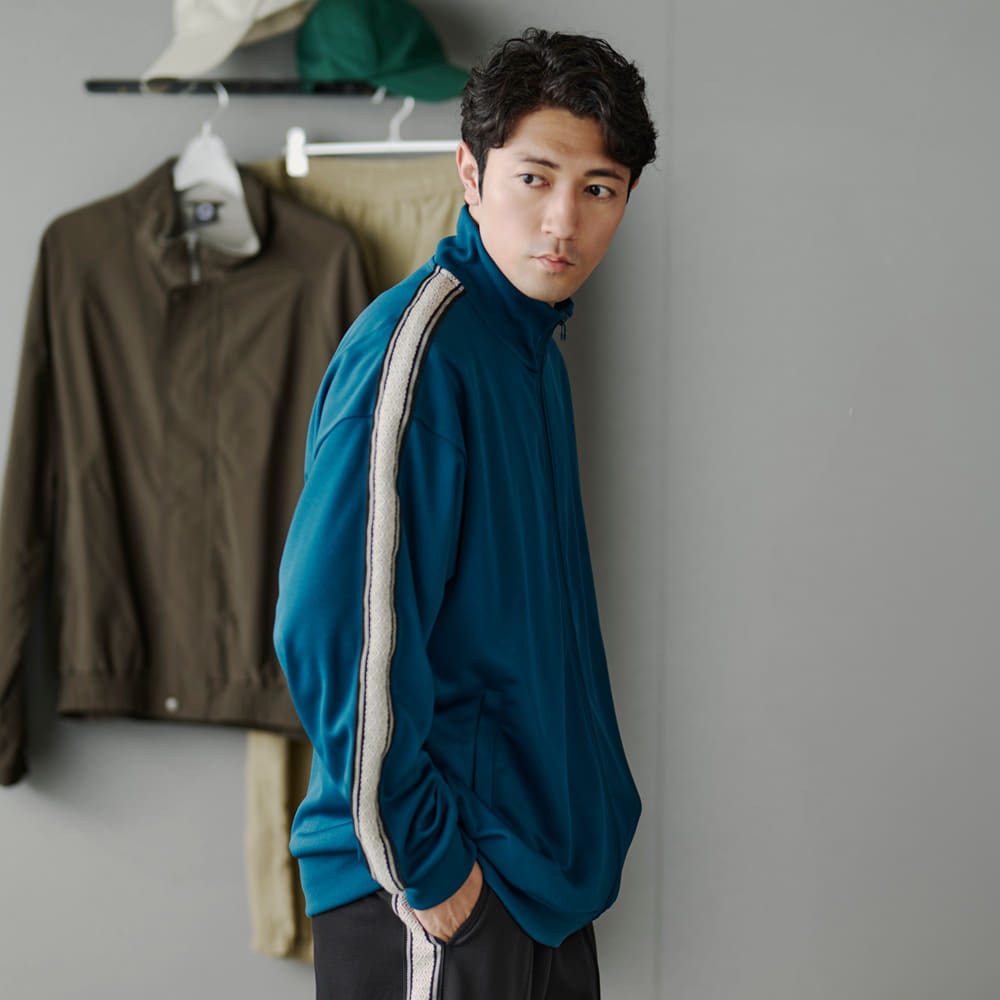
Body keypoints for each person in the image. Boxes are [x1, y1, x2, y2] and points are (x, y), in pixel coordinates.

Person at [273, 26, 657, 1000]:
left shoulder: (529, 353)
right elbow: (332, 629)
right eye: (535, 178)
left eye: (599, 188)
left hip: (538, 887)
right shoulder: (418, 354)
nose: (563, 220)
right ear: (470, 172)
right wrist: (434, 870)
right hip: (436, 889)